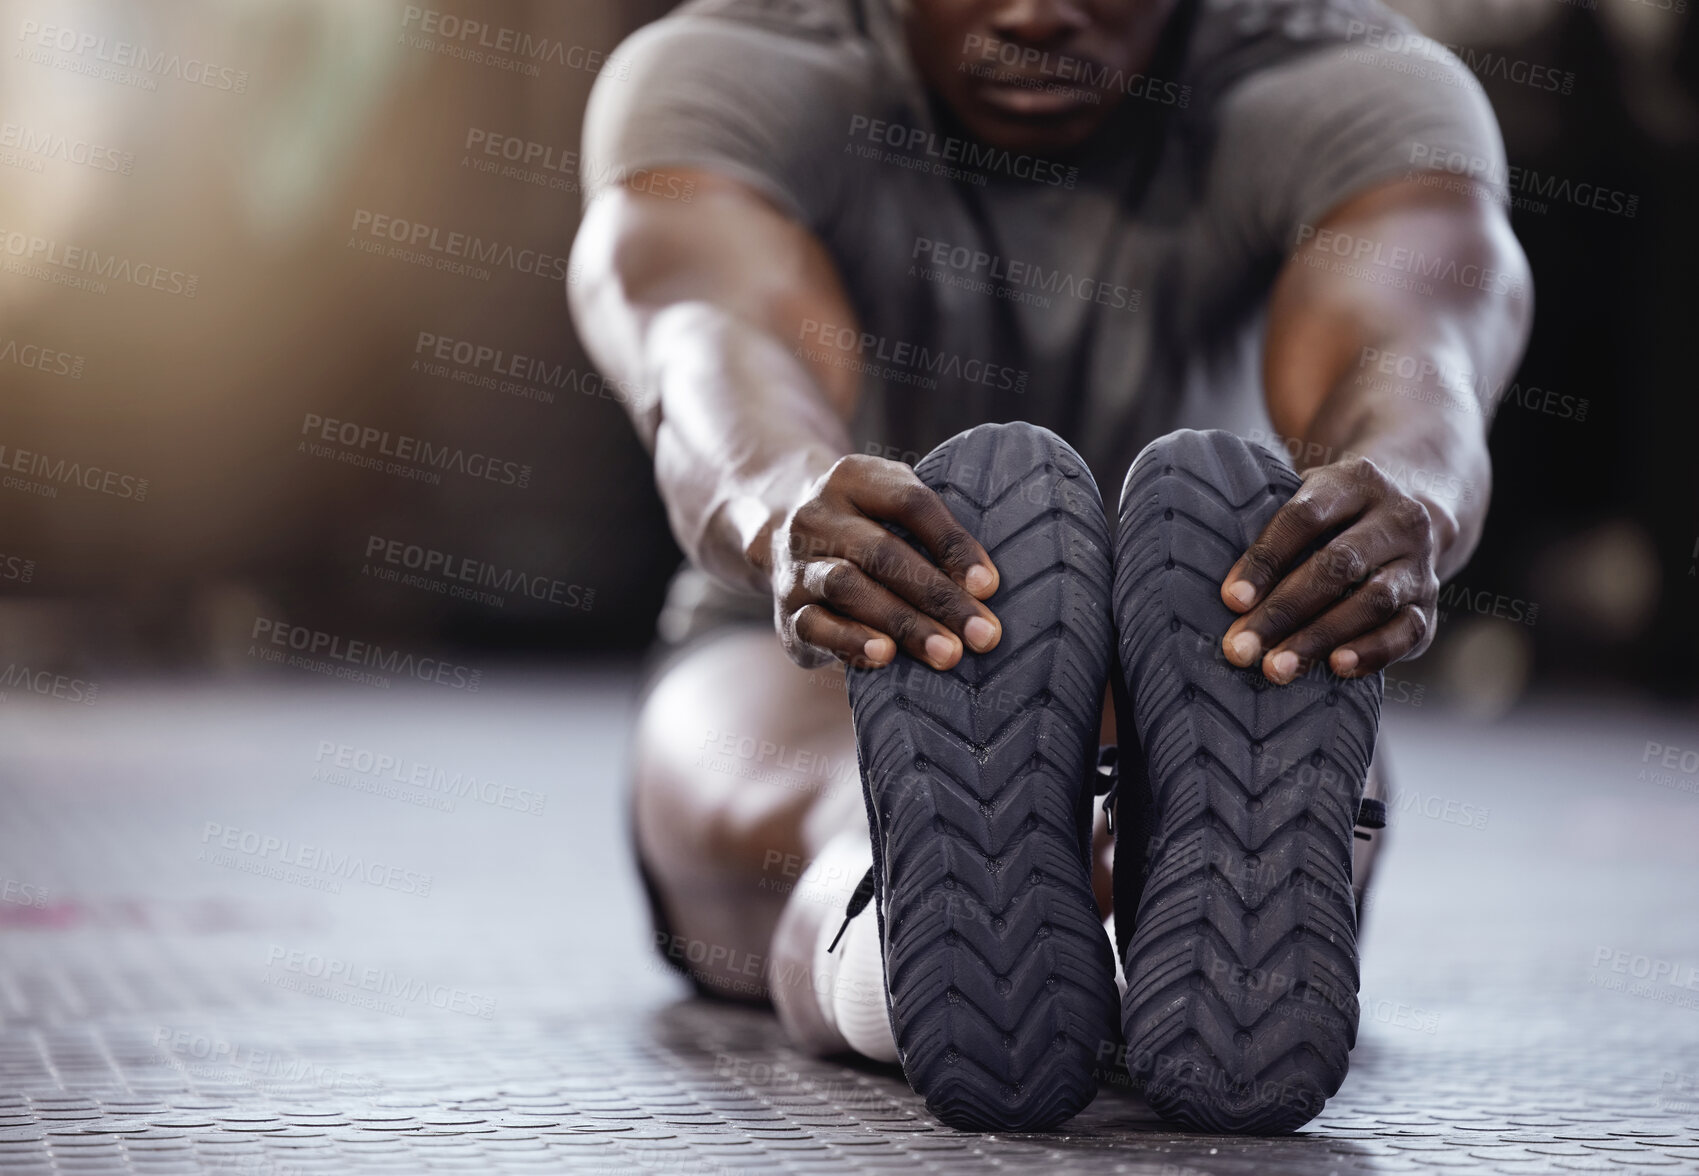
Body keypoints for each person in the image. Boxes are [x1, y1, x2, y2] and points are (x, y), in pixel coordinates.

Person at [568, 0, 1529, 1136]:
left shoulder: (1342, 77)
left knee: (1250, 720)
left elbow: (1415, 343)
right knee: (856, 780)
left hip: (1212, 634)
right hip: (820, 626)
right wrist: (786, 511)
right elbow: (703, 337)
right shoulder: (738, 64)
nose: (1037, 10)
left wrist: (1398, 492)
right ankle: (1043, 898)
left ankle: (931, 932)